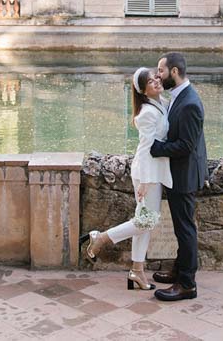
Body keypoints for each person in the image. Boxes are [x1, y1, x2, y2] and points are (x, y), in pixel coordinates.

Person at [80, 67, 171, 290]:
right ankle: (100, 238)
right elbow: (147, 148)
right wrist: (146, 181)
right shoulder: (147, 113)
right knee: (146, 221)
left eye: (155, 78)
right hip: (146, 172)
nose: (156, 82)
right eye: (150, 82)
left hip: (153, 171)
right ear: (143, 91)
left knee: (145, 222)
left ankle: (137, 271)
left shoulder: (161, 103)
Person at [150, 52, 207, 302]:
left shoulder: (190, 103)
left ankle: (187, 284)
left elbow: (186, 145)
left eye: (160, 71)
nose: (157, 75)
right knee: (180, 229)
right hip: (178, 174)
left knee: (186, 230)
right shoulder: (179, 96)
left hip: (184, 176)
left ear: (174, 72)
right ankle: (178, 270)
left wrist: (156, 148)